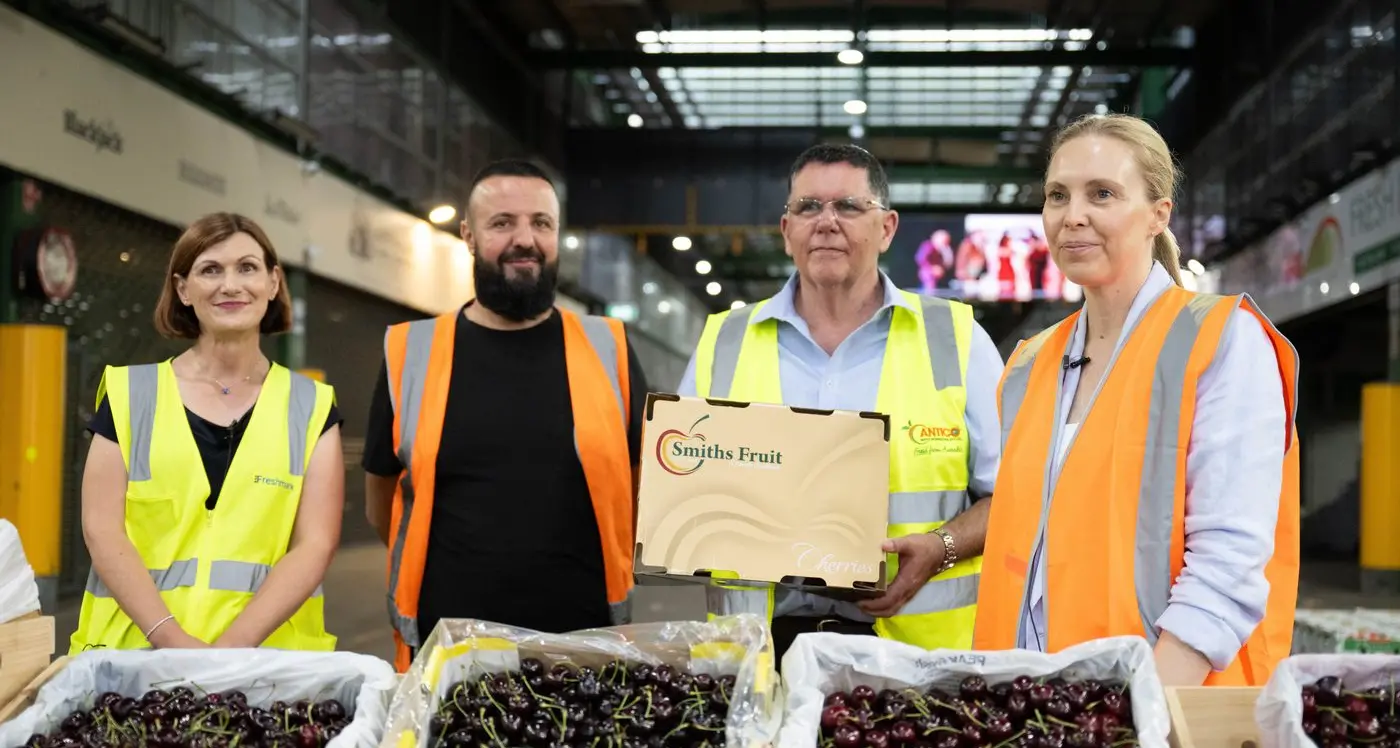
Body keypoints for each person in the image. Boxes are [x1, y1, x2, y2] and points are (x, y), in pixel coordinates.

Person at [973, 113, 1300, 687]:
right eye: (1058, 195)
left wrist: (1135, 717)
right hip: (1036, 705)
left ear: (1158, 214)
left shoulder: (1221, 338)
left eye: (1102, 193)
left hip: (1166, 710)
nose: (1073, 215)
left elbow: (1226, 570)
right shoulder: (1028, 365)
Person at [677, 143, 1005, 659]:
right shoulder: (723, 341)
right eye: (808, 207)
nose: (827, 222)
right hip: (757, 657)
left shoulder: (957, 340)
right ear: (787, 232)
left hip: (914, 663)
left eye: (849, 206)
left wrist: (941, 549)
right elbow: (680, 497)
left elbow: (1016, 494)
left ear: (888, 228)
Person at [363, 159, 648, 672]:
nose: (526, 240)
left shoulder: (612, 349)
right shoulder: (410, 351)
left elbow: (640, 489)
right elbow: (383, 505)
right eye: (503, 223)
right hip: (447, 654)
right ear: (469, 236)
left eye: (542, 223)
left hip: (584, 653)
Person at [71, 212, 344, 653]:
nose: (230, 285)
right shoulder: (129, 394)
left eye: (248, 268)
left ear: (274, 283)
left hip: (268, 668)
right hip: (132, 662)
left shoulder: (311, 407)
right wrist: (172, 639)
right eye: (210, 269)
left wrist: (231, 649)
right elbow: (102, 529)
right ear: (183, 289)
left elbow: (315, 544)